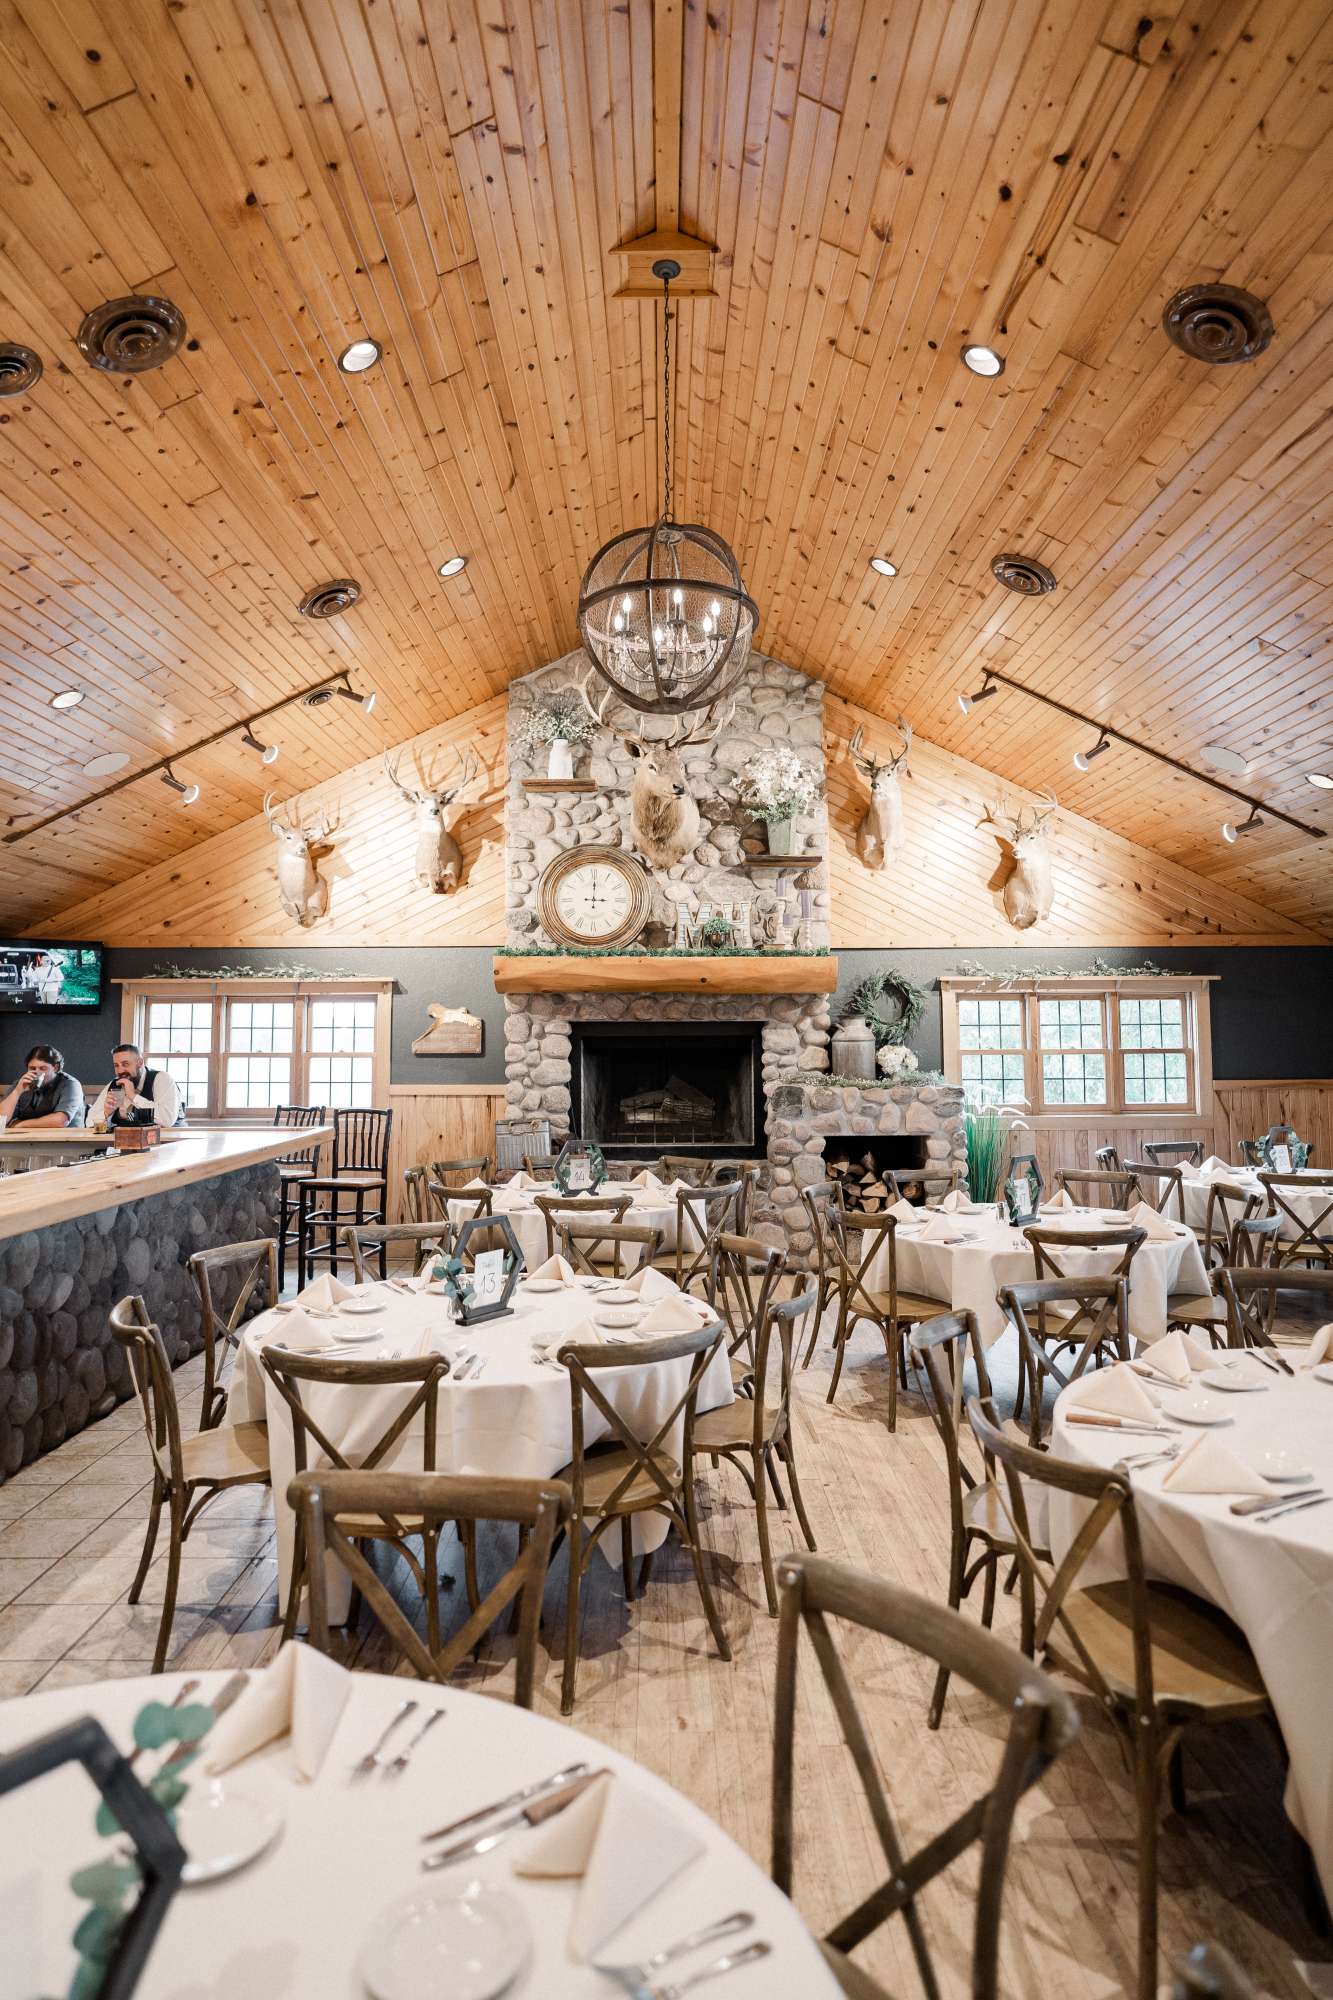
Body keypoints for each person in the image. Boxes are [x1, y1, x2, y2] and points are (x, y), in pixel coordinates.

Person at [87, 1043, 185, 1130]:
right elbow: (89, 1122)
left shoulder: (161, 1079)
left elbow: (166, 1120)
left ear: (140, 1062)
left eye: (125, 1064)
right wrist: (106, 1114)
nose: (120, 1071)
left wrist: (133, 1096)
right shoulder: (114, 1084)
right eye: (116, 1065)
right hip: (126, 1144)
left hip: (168, 1144)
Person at [0, 1044, 86, 1128]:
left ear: (55, 1068)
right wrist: (17, 1091)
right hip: (29, 1139)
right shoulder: (21, 1084)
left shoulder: (70, 1084)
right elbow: (2, 1119)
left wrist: (20, 1124)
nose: (37, 1072)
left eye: (43, 1068)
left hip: (67, 1139)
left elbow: (60, 1121)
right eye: (32, 1068)